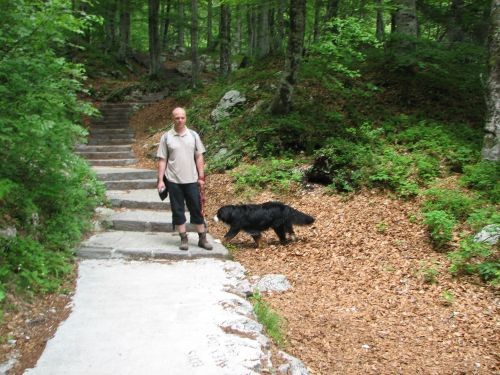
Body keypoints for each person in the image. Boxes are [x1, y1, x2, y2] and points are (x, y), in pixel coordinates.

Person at [156, 107, 213, 251]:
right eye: (177, 118)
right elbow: (162, 159)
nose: (180, 120)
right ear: (172, 119)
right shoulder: (166, 137)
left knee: (196, 209)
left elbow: (199, 156)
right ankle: (183, 238)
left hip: (192, 180)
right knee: (177, 210)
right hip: (173, 180)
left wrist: (201, 177)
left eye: (182, 117)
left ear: (186, 118)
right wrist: (160, 180)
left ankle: (202, 238)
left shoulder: (193, 135)